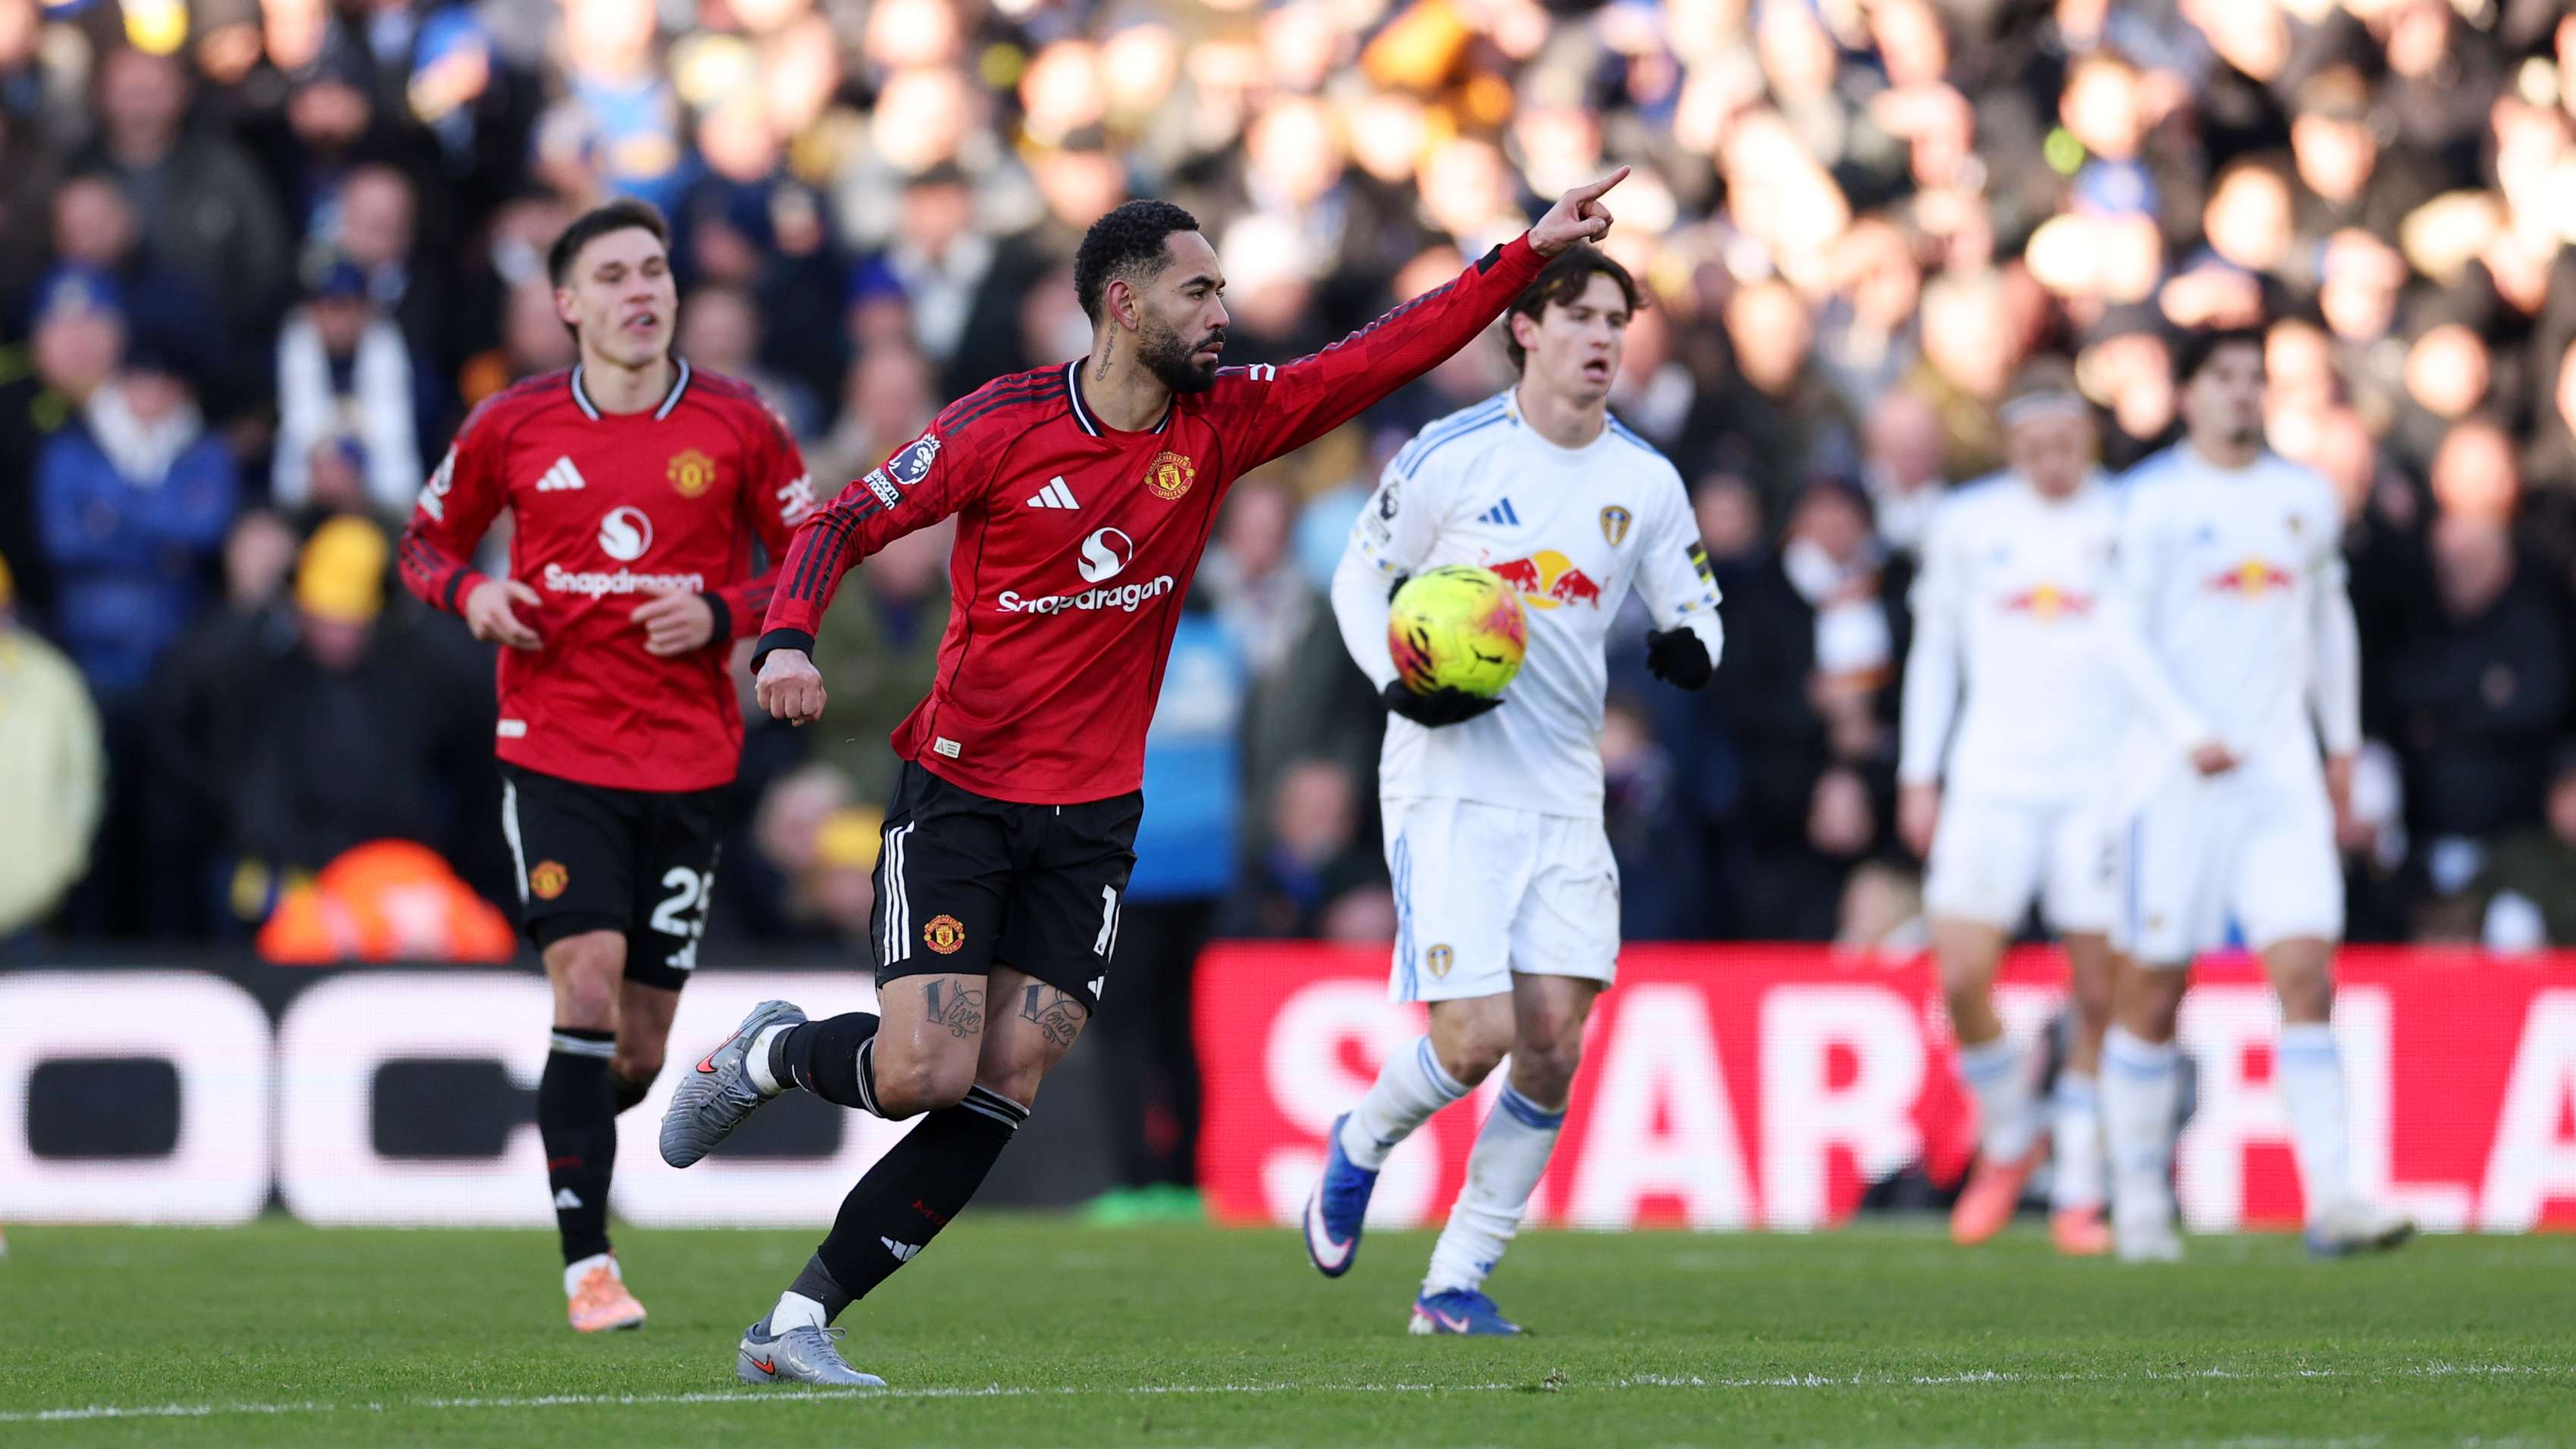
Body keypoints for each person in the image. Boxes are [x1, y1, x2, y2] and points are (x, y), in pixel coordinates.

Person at [659, 171, 1634, 1387]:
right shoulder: (1000, 425)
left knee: (1007, 1070)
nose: (1222, 311)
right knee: (922, 1072)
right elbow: (843, 517)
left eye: (1224, 287)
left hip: (1092, 821)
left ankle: (799, 1319)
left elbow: (1376, 357)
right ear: (1124, 305)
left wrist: (1516, 257)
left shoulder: (1220, 423)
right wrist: (789, 635)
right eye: (1199, 289)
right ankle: (767, 1055)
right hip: (961, 794)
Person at [395, 198, 816, 1332]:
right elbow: (421, 542)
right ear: (567, 305)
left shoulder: (738, 424)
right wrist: (472, 591)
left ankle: (613, 1111)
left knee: (631, 1046)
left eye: (656, 273)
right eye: (616, 276)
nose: (643, 293)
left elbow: (811, 551)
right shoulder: (512, 425)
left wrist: (728, 609)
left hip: (687, 758)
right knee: (580, 981)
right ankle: (590, 1264)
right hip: (557, 749)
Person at [1299, 244, 1722, 1335]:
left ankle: (1454, 1281)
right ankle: (1358, 1141)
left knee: (1551, 1038)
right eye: (1578, 316)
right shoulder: (1450, 454)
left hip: (1564, 795)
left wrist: (1691, 648)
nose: (1600, 339)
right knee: (1473, 1034)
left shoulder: (1644, 479)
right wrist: (1396, 678)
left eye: (1614, 322)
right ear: (1524, 330)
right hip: (1448, 784)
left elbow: (1693, 605)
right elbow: (1357, 573)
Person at [2096, 328, 2414, 1263]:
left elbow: (2327, 621)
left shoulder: (2301, 497)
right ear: (2186, 393)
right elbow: (2115, 630)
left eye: (2252, 380)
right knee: (2155, 988)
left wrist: (2342, 741)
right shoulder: (2149, 501)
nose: (2240, 395)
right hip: (2173, 780)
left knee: (2306, 970)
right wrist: (2188, 731)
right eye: (2222, 378)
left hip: (2278, 776)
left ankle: (2334, 1198)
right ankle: (2138, 1202)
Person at [1895, 363, 2122, 1256]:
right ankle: (2008, 1130)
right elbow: (1934, 656)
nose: (2051, 462)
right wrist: (1921, 772)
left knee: (2096, 987)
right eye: (2034, 446)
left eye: (2066, 443)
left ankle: (2077, 1184)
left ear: (2088, 440)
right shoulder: (1966, 525)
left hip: (2099, 782)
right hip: (1991, 775)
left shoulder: (2125, 520)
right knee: (1957, 971)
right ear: (2009, 446)